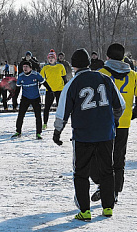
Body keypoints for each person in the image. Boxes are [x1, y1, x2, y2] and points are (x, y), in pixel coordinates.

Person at [53, 48, 125, 221]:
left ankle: (85, 211)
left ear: (74, 65)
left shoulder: (72, 84)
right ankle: (108, 207)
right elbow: (120, 105)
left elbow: (62, 111)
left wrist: (57, 132)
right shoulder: (105, 79)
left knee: (81, 173)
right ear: (89, 63)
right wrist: (113, 121)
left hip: (83, 135)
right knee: (107, 170)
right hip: (106, 134)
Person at [89, 43, 137, 204]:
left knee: (99, 156)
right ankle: (115, 191)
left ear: (107, 57)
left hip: (103, 122)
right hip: (123, 122)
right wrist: (132, 113)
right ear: (123, 57)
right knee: (119, 157)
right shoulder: (132, 75)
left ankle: (104, 185)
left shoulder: (100, 73)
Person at [12, 61, 51, 139]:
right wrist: (15, 100)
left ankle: (38, 133)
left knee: (38, 116)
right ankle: (18, 131)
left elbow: (44, 82)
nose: (25, 68)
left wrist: (50, 91)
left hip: (35, 98)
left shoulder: (36, 75)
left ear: (30, 68)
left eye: (27, 67)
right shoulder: (21, 76)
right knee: (21, 115)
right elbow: (17, 89)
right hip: (25, 98)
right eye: (24, 67)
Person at [40, 49, 67, 129]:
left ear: (55, 58)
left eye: (52, 57)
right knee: (47, 107)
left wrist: (66, 88)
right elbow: (41, 79)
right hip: (50, 90)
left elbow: (64, 78)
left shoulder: (60, 66)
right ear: (48, 59)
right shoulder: (45, 67)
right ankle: (45, 123)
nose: (51, 59)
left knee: (60, 107)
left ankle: (61, 122)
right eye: (49, 58)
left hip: (59, 89)